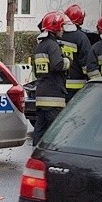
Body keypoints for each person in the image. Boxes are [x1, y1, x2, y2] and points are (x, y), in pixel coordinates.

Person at [32, 11, 70, 145]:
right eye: (61, 27)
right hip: (54, 97)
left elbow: (37, 72)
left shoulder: (40, 46)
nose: (63, 30)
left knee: (40, 130)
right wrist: (68, 60)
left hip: (41, 96)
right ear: (55, 28)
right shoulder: (53, 45)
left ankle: (36, 155)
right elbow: (57, 64)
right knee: (55, 133)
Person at [60, 4, 100, 101]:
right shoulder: (81, 37)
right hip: (77, 88)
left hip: (58, 86)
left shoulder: (57, 35)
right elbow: (87, 64)